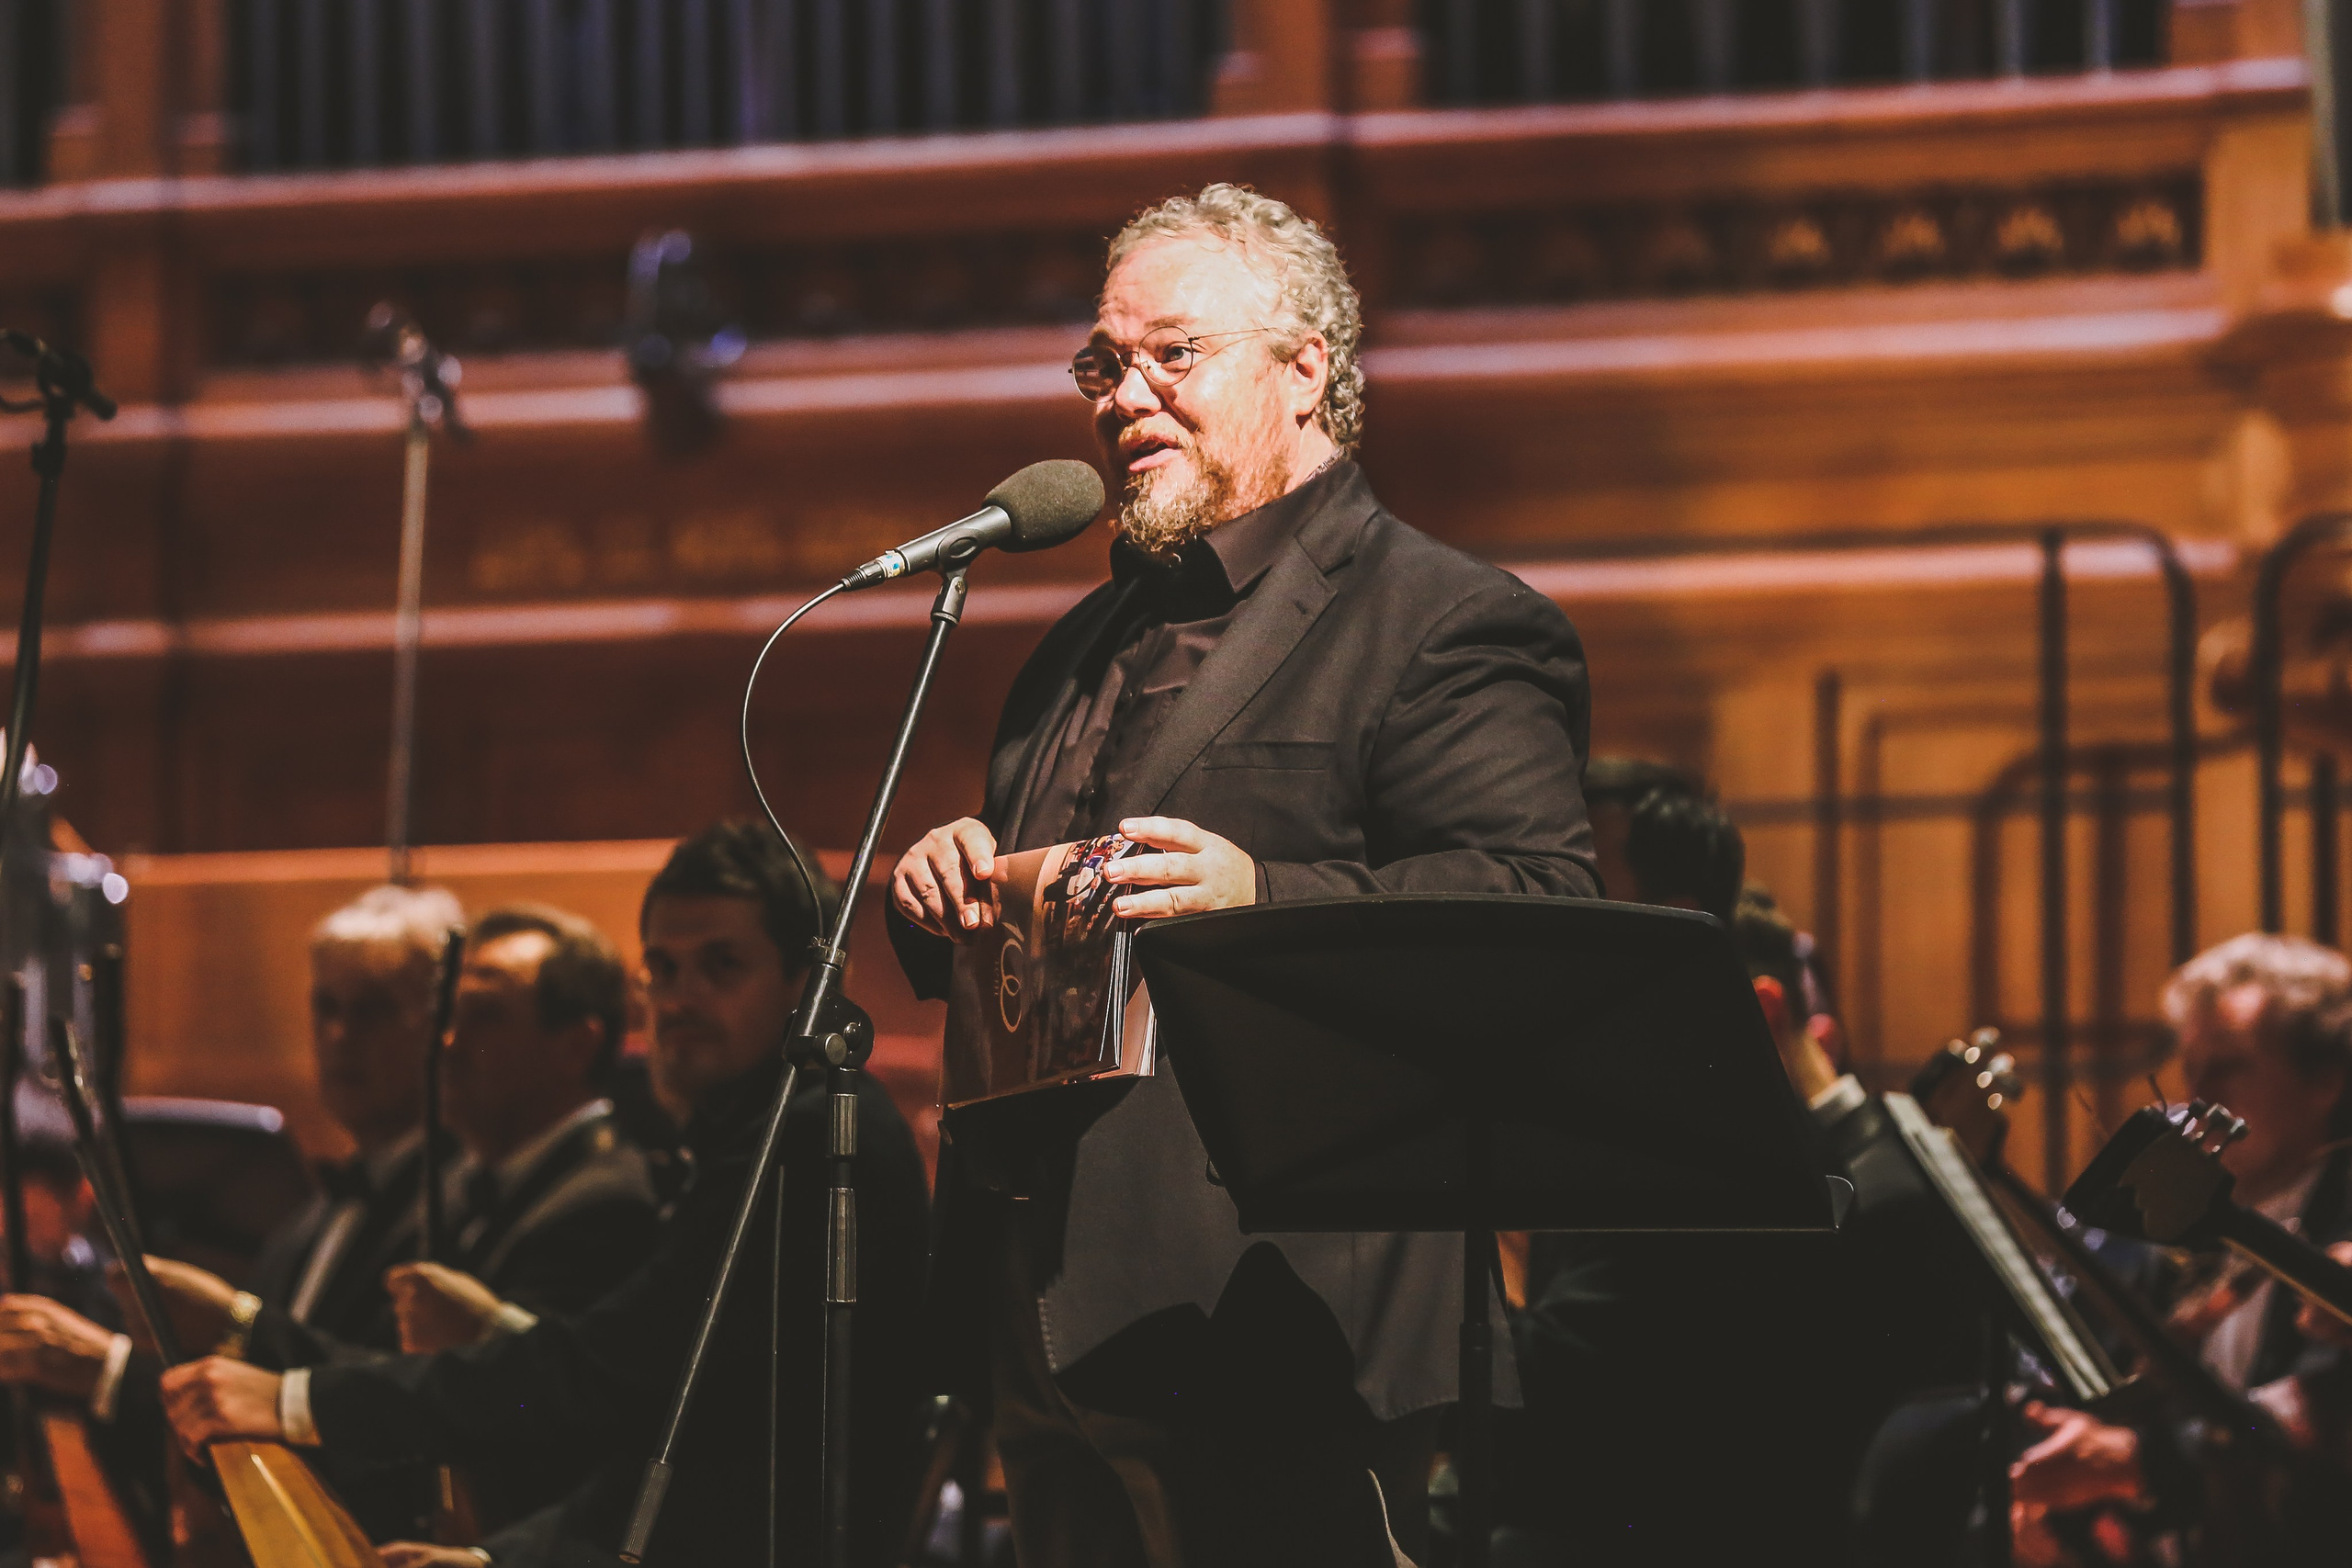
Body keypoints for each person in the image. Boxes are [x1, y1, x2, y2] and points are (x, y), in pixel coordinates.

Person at [888, 183, 1599, 1567]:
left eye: (1173, 354)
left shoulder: (1446, 622)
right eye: (1104, 363)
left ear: (1306, 370)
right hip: (1049, 1333)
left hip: (1284, 1332)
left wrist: (1262, 904)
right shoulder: (1071, 647)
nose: (1124, 395)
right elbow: (1059, 940)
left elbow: (1539, 911)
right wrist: (955, 887)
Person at [160, 820, 932, 1567]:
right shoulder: (762, 1128)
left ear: (813, 981)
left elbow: (602, 1379)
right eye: (662, 968)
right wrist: (495, 1555)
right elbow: (673, 1439)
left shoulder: (811, 1134)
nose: (680, 999)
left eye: (721, 964)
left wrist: (301, 1402)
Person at [0, 882, 461, 1540]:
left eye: (374, 1011)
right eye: (326, 1006)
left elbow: (386, 1414)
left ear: (442, 1024)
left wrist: (112, 1371)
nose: (339, 1035)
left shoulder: (455, 1203)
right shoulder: (316, 1215)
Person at [2007, 933, 2352, 1562]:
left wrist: (2138, 1461)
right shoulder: (2193, 1217)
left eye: (2230, 1066)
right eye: (2192, 1068)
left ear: (2325, 1081)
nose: (2199, 1092)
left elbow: (2308, 1425)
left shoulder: (2342, 1223)